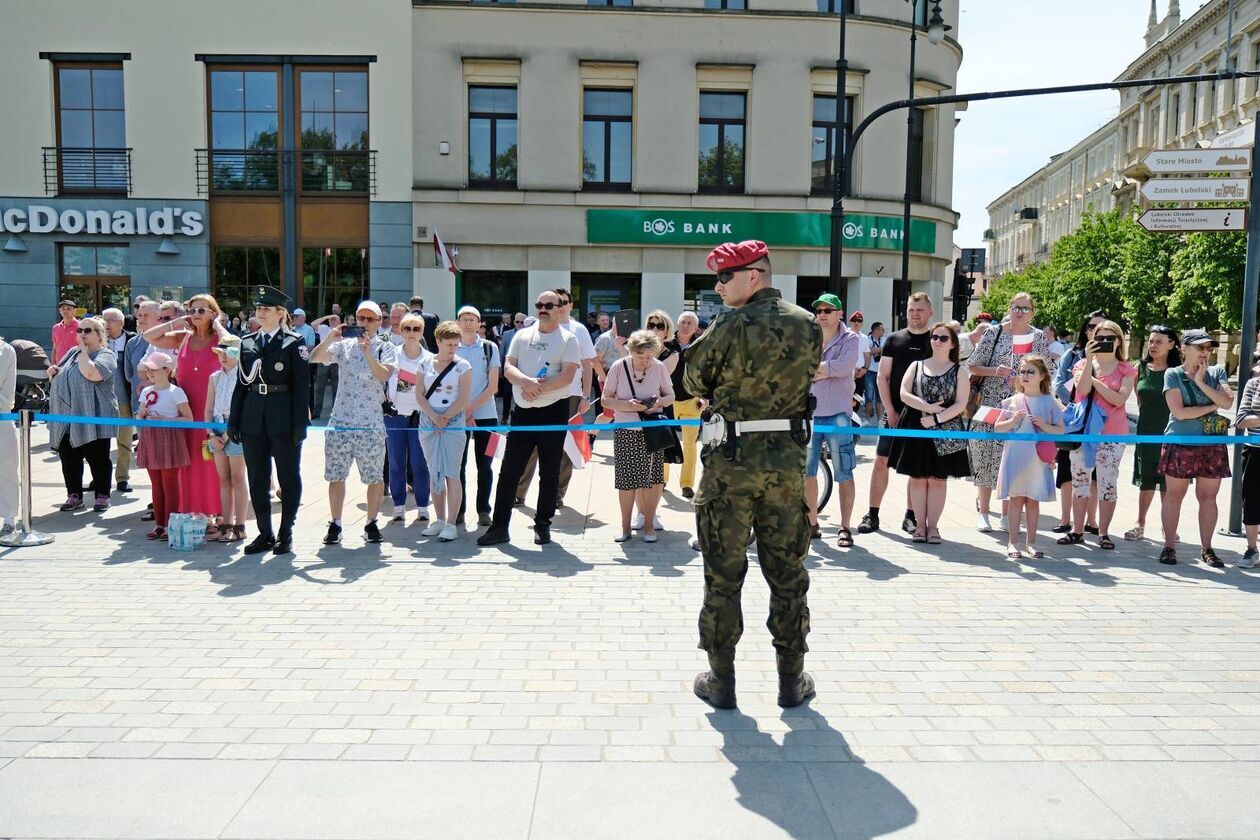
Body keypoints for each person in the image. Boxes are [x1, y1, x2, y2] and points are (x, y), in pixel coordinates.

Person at [685, 240, 820, 710]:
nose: (718, 287)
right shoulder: (807, 324)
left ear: (754, 276)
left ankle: (721, 681)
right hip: (784, 469)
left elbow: (692, 380)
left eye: (725, 277)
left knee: (723, 577)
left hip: (730, 469)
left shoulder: (728, 325)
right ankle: (791, 680)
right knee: (788, 575)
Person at [477, 291, 580, 547]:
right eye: (539, 305)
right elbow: (508, 366)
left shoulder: (569, 339)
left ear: (560, 309)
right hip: (522, 412)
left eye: (549, 305)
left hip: (554, 410)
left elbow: (567, 376)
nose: (543, 309)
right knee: (509, 471)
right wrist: (525, 382)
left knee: (549, 472)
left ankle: (543, 525)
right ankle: (500, 527)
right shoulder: (522, 335)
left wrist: (537, 389)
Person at [227, 285, 310, 556]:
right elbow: (241, 384)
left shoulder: (294, 341)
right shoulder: (248, 342)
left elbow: (301, 387)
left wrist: (300, 425)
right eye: (258, 309)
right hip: (253, 415)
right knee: (257, 476)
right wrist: (234, 420)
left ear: (279, 313)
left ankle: (285, 532)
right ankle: (265, 532)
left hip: (283, 416)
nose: (260, 313)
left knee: (287, 475)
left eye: (266, 309)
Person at [312, 300, 398, 547]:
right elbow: (316, 358)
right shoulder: (343, 345)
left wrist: (368, 352)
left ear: (379, 322)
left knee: (374, 478)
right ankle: (336, 523)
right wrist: (330, 337)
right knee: (336, 476)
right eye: (361, 318)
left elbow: (384, 375)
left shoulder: (386, 346)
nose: (365, 323)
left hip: (370, 423)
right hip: (341, 422)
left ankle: (371, 523)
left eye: (371, 319)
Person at [142, 293, 229, 532]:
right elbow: (148, 336)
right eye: (192, 310)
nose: (196, 315)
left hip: (212, 409)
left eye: (202, 310)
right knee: (189, 461)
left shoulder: (219, 338)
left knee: (213, 461)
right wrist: (176, 322)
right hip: (185, 408)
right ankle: (194, 513)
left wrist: (218, 324)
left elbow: (232, 346)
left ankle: (219, 513)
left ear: (213, 312)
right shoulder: (183, 337)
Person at [965, 292, 1049, 533]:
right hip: (991, 401)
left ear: (1032, 312)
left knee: (1011, 458)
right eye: (1015, 307)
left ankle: (1006, 514)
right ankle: (983, 511)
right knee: (987, 456)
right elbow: (972, 364)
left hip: (1023, 404)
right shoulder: (994, 332)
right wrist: (994, 371)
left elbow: (1047, 370)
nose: (1019, 312)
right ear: (1009, 309)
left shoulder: (1039, 337)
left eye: (1025, 308)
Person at [889, 322, 971, 544]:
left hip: (945, 429)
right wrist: (927, 407)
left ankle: (933, 527)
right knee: (917, 478)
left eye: (943, 338)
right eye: (935, 337)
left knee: (937, 480)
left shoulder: (959, 371)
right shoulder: (916, 366)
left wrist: (936, 418)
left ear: (952, 343)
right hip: (916, 425)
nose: (937, 341)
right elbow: (904, 393)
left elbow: (961, 403)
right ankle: (918, 527)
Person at [1057, 320, 1136, 551]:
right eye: (1100, 338)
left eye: (1110, 338)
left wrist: (1094, 382)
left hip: (1113, 434)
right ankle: (1077, 530)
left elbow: (1119, 400)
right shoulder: (1082, 363)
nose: (1104, 342)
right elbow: (1081, 390)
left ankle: (1103, 533)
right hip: (1084, 432)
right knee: (1080, 481)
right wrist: (1090, 363)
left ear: (1118, 341)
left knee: (1107, 483)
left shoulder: (1126, 368)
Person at [1158, 329, 1233, 567]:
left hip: (1211, 444)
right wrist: (1212, 406)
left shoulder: (1217, 372)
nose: (1205, 352)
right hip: (1180, 443)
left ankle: (1207, 549)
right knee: (1174, 497)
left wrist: (1200, 381)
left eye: (1209, 348)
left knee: (1208, 497)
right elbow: (1178, 412)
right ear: (1184, 349)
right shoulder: (1173, 373)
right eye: (1200, 347)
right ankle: (1169, 546)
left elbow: (1228, 402)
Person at [860, 294, 933, 536]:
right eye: (912, 309)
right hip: (893, 412)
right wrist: (889, 410)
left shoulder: (937, 339)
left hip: (922, 416)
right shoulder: (893, 339)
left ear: (930, 313)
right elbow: (882, 376)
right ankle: (872, 514)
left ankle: (910, 517)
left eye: (920, 310)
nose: (915, 314)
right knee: (881, 461)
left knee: (915, 469)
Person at [514, 288, 594, 509]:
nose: (550, 309)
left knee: (564, 448)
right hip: (535, 394)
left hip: (570, 395)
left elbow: (587, 365)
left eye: (564, 302)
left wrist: (586, 395)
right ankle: (519, 493)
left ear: (568, 306)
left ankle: (557, 494)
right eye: (544, 305)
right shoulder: (532, 330)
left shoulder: (579, 330)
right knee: (530, 447)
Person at [603, 329, 674, 542]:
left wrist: (658, 402)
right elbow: (606, 399)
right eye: (641, 357)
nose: (646, 361)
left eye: (649, 356)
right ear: (631, 352)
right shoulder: (618, 367)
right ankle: (625, 528)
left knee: (652, 481)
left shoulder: (659, 367)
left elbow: (670, 396)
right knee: (627, 481)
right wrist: (627, 405)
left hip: (652, 431)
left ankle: (649, 526)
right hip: (626, 431)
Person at [994, 355, 1064, 559]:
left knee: (1033, 501)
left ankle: (1031, 542)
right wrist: (1012, 421)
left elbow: (1060, 430)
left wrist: (1044, 425)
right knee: (1015, 499)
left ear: (1042, 376)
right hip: (1016, 454)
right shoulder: (1012, 401)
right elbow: (998, 428)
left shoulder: (1049, 402)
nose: (1025, 375)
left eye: (1030, 372)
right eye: (1022, 371)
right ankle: (1013, 542)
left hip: (1038, 457)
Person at [46, 316, 118, 512]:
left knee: (98, 459)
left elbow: (92, 374)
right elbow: (60, 374)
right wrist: (53, 371)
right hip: (67, 417)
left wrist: (84, 353)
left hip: (93, 416)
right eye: (80, 331)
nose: (82, 334)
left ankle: (102, 495)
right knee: (69, 458)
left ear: (100, 334)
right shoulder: (71, 352)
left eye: (87, 331)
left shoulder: (106, 355)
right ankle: (74, 495)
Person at [805, 295, 859, 546]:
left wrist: (816, 370)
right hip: (809, 413)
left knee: (843, 472)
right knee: (807, 472)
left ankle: (845, 527)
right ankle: (811, 523)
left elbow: (846, 367)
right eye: (819, 310)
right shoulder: (808, 337)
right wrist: (828, 369)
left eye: (828, 310)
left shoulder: (851, 338)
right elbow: (800, 368)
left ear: (840, 313)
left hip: (838, 413)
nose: (822, 314)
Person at [415, 321, 474, 541]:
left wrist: (446, 417)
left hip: (453, 419)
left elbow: (464, 397)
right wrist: (433, 417)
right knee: (434, 470)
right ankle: (438, 520)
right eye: (449, 344)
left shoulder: (463, 365)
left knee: (451, 471)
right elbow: (419, 394)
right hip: (429, 419)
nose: (453, 348)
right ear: (438, 341)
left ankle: (451, 523)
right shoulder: (424, 363)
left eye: (456, 345)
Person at [1052, 311, 1106, 535]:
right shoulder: (1072, 354)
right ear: (1086, 330)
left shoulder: (1114, 358)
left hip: (1100, 422)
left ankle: (1091, 521)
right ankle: (1066, 519)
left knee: (1094, 474)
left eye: (1103, 329)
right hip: (1074, 420)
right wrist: (1070, 408)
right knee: (1067, 472)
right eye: (1093, 327)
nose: (1097, 332)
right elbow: (1058, 385)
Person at [1126, 326, 1180, 543]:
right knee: (1146, 478)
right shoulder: (1139, 368)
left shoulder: (1177, 371)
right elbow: (1140, 399)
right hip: (1146, 431)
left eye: (1159, 341)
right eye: (1151, 341)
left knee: (1169, 481)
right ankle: (1140, 523)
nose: (1153, 345)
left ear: (1171, 344)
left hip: (1172, 432)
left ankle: (1168, 526)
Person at [134, 352, 191, 540]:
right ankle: (159, 524)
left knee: (170, 484)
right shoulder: (145, 391)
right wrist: (140, 416)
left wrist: (165, 419)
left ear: (167, 370)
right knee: (156, 484)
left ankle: (170, 525)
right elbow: (139, 419)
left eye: (154, 369)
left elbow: (189, 418)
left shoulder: (176, 392)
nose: (149, 372)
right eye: (148, 369)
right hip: (151, 438)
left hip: (170, 439)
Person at [383, 313, 432, 525]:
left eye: (416, 329)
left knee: (420, 463)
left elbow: (431, 389)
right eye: (407, 328)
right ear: (401, 331)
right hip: (394, 416)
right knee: (395, 462)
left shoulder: (430, 358)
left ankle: (423, 506)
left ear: (421, 332)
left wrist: (410, 383)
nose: (411, 333)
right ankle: (399, 506)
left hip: (420, 416)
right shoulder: (390, 354)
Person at [454, 306, 501, 527]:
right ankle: (458, 510)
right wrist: (463, 411)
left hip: (487, 415)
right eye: (464, 319)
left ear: (479, 323)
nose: (468, 323)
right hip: (457, 416)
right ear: (457, 321)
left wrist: (470, 410)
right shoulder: (451, 348)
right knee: (458, 465)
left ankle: (484, 510)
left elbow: (493, 387)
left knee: (486, 465)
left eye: (472, 319)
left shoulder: (490, 348)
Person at [205, 338, 248, 544]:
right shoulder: (214, 377)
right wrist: (211, 434)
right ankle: (226, 523)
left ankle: (240, 525)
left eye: (227, 353)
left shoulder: (244, 377)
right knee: (224, 479)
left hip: (237, 430)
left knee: (238, 478)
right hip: (217, 427)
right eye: (219, 353)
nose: (222, 357)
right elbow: (208, 409)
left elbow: (244, 410)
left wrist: (227, 435)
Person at [664, 312, 702, 499]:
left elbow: (707, 373)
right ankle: (661, 480)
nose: (685, 326)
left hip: (692, 401)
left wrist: (706, 398)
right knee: (665, 442)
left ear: (695, 328)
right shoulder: (666, 344)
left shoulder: (701, 346)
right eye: (682, 322)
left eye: (689, 323)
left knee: (690, 445)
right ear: (677, 325)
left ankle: (687, 484)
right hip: (668, 399)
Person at [100, 308, 136, 493]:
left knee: (124, 440)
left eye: (110, 320)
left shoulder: (133, 340)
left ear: (121, 323)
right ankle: (99, 478)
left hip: (124, 399)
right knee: (99, 441)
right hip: (100, 399)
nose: (105, 323)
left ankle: (122, 477)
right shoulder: (96, 340)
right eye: (103, 319)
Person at [1234, 353, 1260, 569]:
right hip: (1254, 451)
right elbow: (1242, 420)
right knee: (1251, 500)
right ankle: (1252, 549)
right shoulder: (1253, 384)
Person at [0, 336, 17, 535]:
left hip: (2, 416)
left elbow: (7, 395)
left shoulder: (6, 350)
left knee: (7, 467)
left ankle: (9, 517)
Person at [310, 313, 342, 419]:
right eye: (331, 320)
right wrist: (327, 317)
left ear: (339, 322)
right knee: (319, 388)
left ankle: (336, 412)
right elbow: (313, 324)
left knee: (337, 388)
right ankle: (316, 412)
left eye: (335, 320)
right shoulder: (324, 328)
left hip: (336, 362)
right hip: (323, 361)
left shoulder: (342, 331)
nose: (332, 321)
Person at [52, 299, 80, 364]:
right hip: (59, 365)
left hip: (75, 365)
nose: (65, 311)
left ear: (74, 311)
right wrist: (52, 364)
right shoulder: (56, 327)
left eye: (68, 309)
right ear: (59, 311)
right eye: (63, 309)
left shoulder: (81, 326)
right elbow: (54, 348)